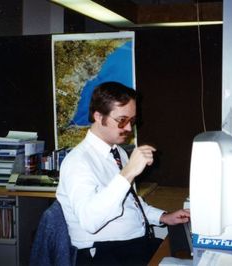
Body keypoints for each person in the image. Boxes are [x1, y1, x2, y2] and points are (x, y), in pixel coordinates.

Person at [56, 81, 190, 265]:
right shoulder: (77, 162)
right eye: (122, 120)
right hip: (105, 254)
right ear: (98, 116)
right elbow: (90, 221)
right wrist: (128, 173)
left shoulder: (117, 152)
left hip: (132, 245)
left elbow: (130, 203)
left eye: (132, 121)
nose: (128, 128)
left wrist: (163, 217)